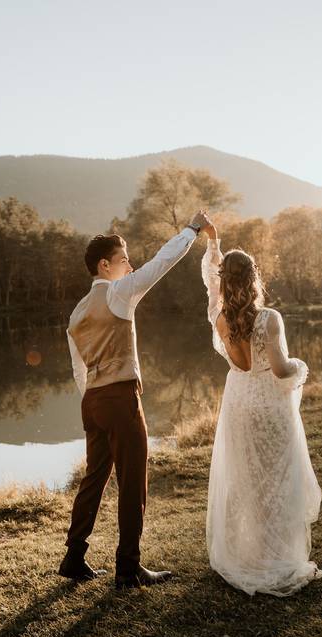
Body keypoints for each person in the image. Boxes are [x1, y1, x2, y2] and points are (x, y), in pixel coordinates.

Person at [59, 210, 210, 588]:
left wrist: (93, 398)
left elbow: (79, 370)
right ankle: (128, 568)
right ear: (105, 264)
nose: (130, 265)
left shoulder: (76, 313)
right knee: (132, 481)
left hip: (92, 400)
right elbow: (163, 262)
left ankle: (74, 557)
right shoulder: (119, 293)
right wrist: (191, 229)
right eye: (124, 259)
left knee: (94, 478)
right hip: (120, 397)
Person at [200, 219, 322, 596]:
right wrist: (301, 368)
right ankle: (277, 557)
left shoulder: (219, 317)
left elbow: (209, 280)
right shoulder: (269, 319)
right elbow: (281, 369)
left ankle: (248, 555)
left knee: (247, 482)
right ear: (254, 279)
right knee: (277, 481)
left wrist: (212, 242)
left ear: (224, 281)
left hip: (239, 404)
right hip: (269, 406)